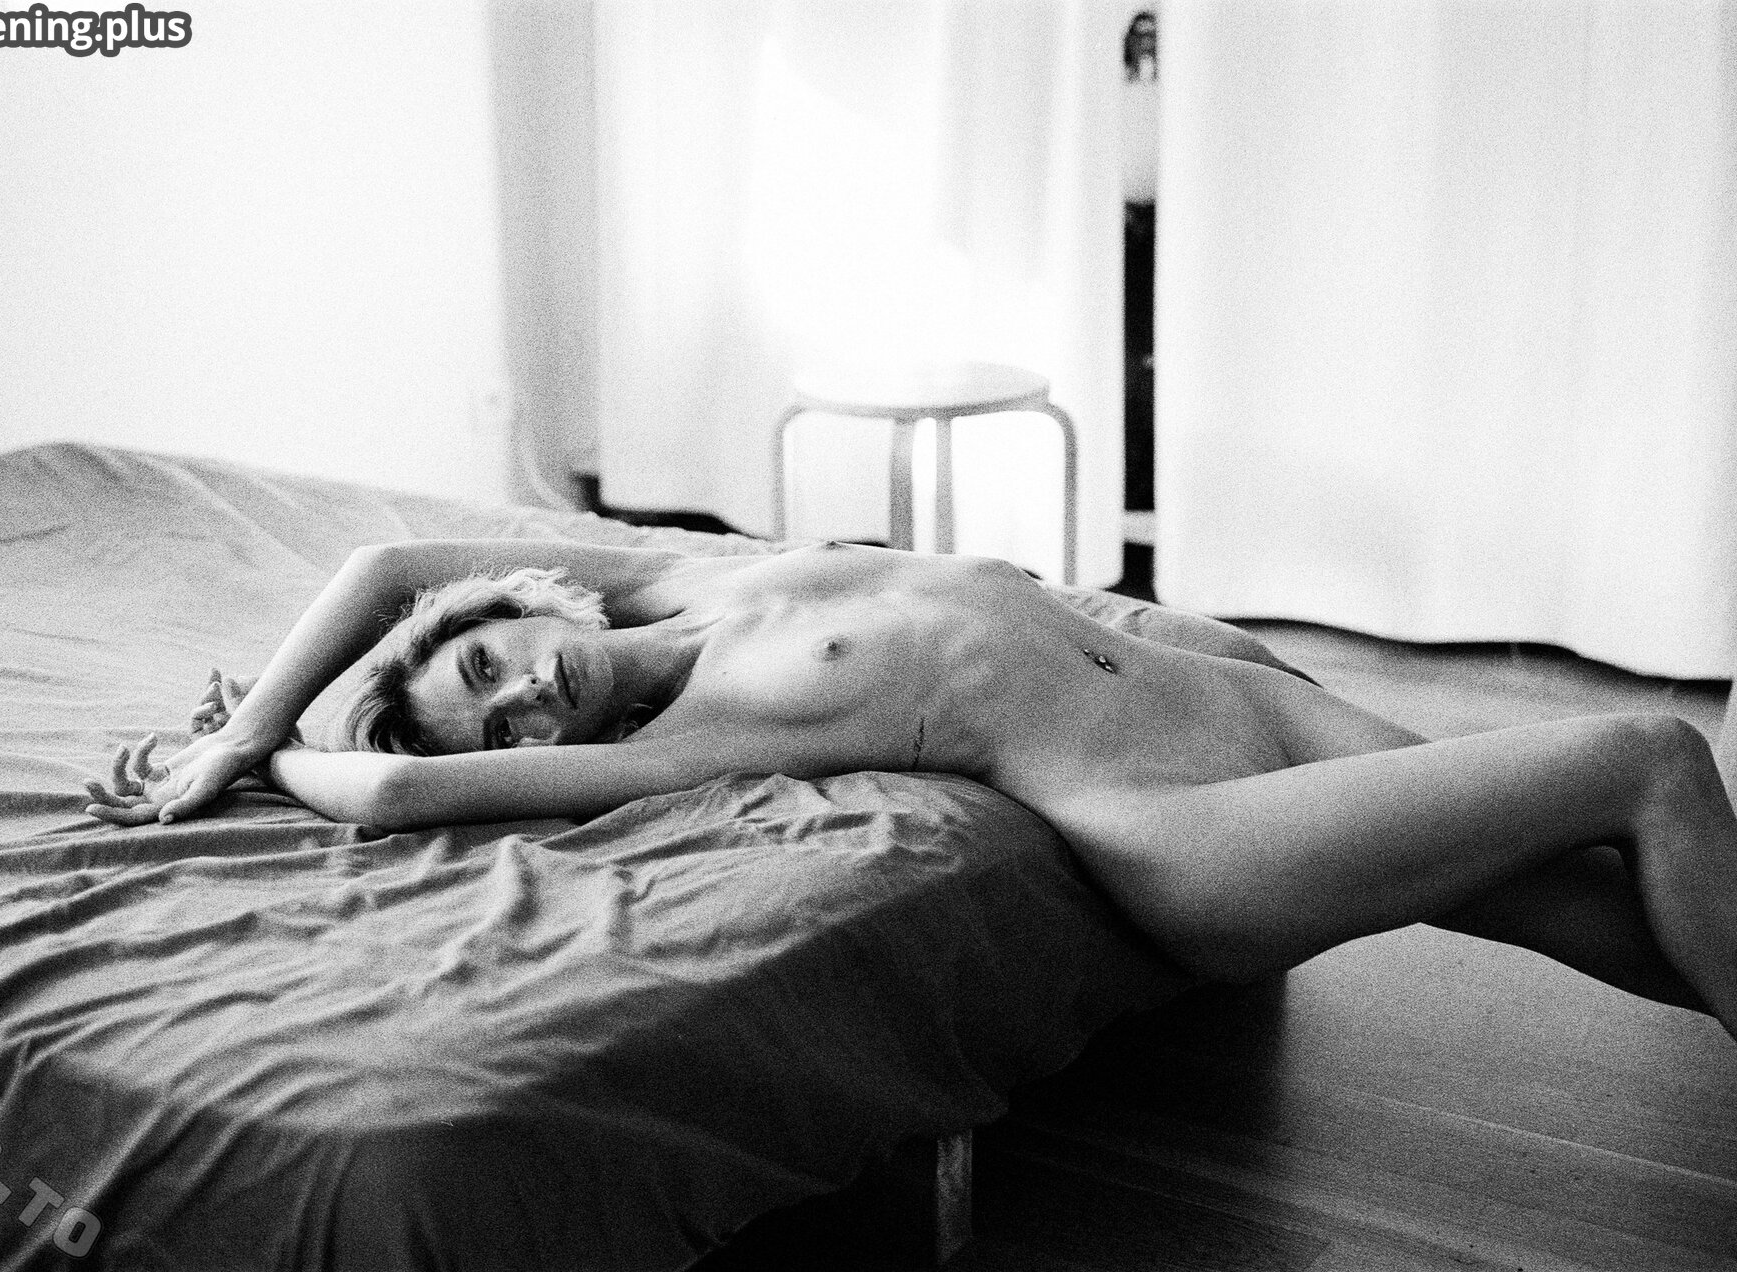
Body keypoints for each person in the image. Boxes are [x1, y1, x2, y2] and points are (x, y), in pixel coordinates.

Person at [85, 539, 1737, 1040]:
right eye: (497, 726)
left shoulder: (679, 575)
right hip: (1181, 824)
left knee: (1585, 898)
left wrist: (284, 688)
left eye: (494, 659)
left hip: (1238, 709)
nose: (527, 693)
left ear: (517, 604)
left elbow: (389, 565)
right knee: (1646, 758)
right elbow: (389, 798)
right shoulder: (689, 738)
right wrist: (256, 752)